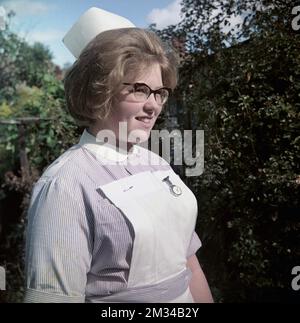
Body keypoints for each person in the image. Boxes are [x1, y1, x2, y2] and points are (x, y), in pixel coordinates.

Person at [24, 7, 213, 303]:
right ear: (99, 92)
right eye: (139, 89)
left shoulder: (157, 163)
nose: (153, 106)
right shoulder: (65, 186)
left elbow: (188, 263)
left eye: (159, 92)